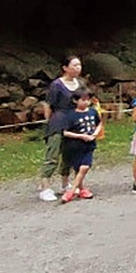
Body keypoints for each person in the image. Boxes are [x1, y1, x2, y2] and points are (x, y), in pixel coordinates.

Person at [39, 55, 83, 202]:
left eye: (79, 65)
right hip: (59, 121)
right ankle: (45, 187)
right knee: (53, 154)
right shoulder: (57, 85)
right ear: (65, 68)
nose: (78, 68)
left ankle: (65, 183)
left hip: (74, 122)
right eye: (74, 65)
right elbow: (49, 104)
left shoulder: (80, 84)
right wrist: (49, 121)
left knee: (69, 154)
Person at [60, 88, 102, 203]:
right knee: (78, 169)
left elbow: (99, 123)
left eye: (88, 100)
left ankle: (71, 191)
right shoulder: (70, 115)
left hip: (89, 145)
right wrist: (80, 136)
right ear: (75, 101)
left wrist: (95, 134)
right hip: (75, 146)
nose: (86, 102)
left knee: (85, 167)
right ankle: (82, 188)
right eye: (83, 100)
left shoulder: (93, 112)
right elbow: (65, 132)